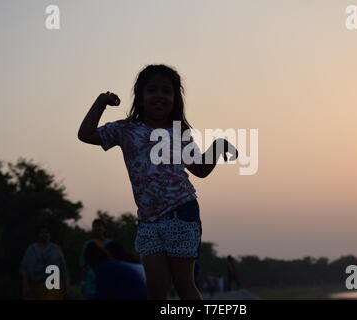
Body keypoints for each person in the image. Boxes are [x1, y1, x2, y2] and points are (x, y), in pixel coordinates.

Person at [78, 64, 238, 300]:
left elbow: (200, 169)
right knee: (155, 287)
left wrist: (218, 146)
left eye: (166, 91)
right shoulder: (126, 129)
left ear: (175, 99)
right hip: (148, 221)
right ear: (141, 98)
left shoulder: (179, 133)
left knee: (184, 284)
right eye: (152, 90)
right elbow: (86, 134)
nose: (159, 96)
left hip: (181, 211)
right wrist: (101, 102)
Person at [20, 224, 69, 300]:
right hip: (36, 287)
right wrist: (25, 285)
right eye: (42, 232)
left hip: (54, 287)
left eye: (46, 232)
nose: (44, 234)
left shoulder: (56, 249)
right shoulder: (31, 249)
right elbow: (24, 269)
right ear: (38, 235)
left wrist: (66, 288)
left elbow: (64, 269)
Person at [79, 218, 112, 299]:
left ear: (105, 229)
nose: (97, 228)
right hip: (91, 285)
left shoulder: (111, 244)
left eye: (99, 226)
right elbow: (83, 265)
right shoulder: (87, 245)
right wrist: (82, 283)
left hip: (107, 284)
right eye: (95, 226)